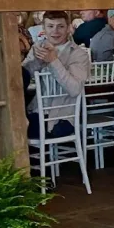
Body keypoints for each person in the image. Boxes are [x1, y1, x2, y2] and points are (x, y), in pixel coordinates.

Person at [22, 10, 90, 138]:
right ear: (43, 28)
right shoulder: (38, 47)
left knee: (14, 131)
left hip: (61, 117)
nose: (55, 31)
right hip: (37, 111)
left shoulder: (78, 54)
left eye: (61, 26)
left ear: (68, 28)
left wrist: (53, 60)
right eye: (50, 26)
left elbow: (75, 89)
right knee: (9, 123)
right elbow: (22, 79)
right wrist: (36, 62)